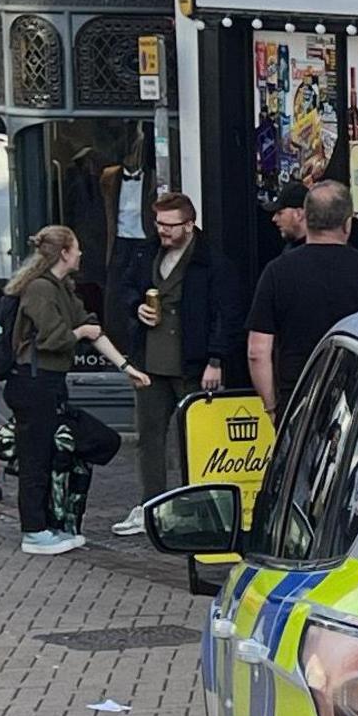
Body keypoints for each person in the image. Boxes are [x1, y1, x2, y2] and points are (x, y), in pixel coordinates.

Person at [105, 192, 240, 529]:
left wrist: (216, 359)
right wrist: (136, 307)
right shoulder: (146, 253)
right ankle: (150, 505)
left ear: (189, 225)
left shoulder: (211, 262)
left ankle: (190, 507)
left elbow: (226, 313)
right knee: (149, 436)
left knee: (192, 438)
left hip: (191, 361)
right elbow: (125, 289)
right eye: (158, 223)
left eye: (169, 225)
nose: (162, 231)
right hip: (149, 360)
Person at [5, 224, 125, 557]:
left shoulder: (62, 287)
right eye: (77, 247)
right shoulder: (41, 290)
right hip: (32, 382)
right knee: (36, 457)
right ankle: (35, 530)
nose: (82, 253)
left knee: (81, 445)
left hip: (49, 382)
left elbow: (91, 327)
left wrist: (126, 368)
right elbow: (54, 338)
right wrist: (82, 330)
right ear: (64, 253)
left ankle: (51, 523)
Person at [248, 181, 358, 403]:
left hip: (297, 399)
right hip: (354, 398)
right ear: (347, 224)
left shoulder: (277, 272)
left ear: (306, 218)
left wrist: (272, 407)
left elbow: (257, 352)